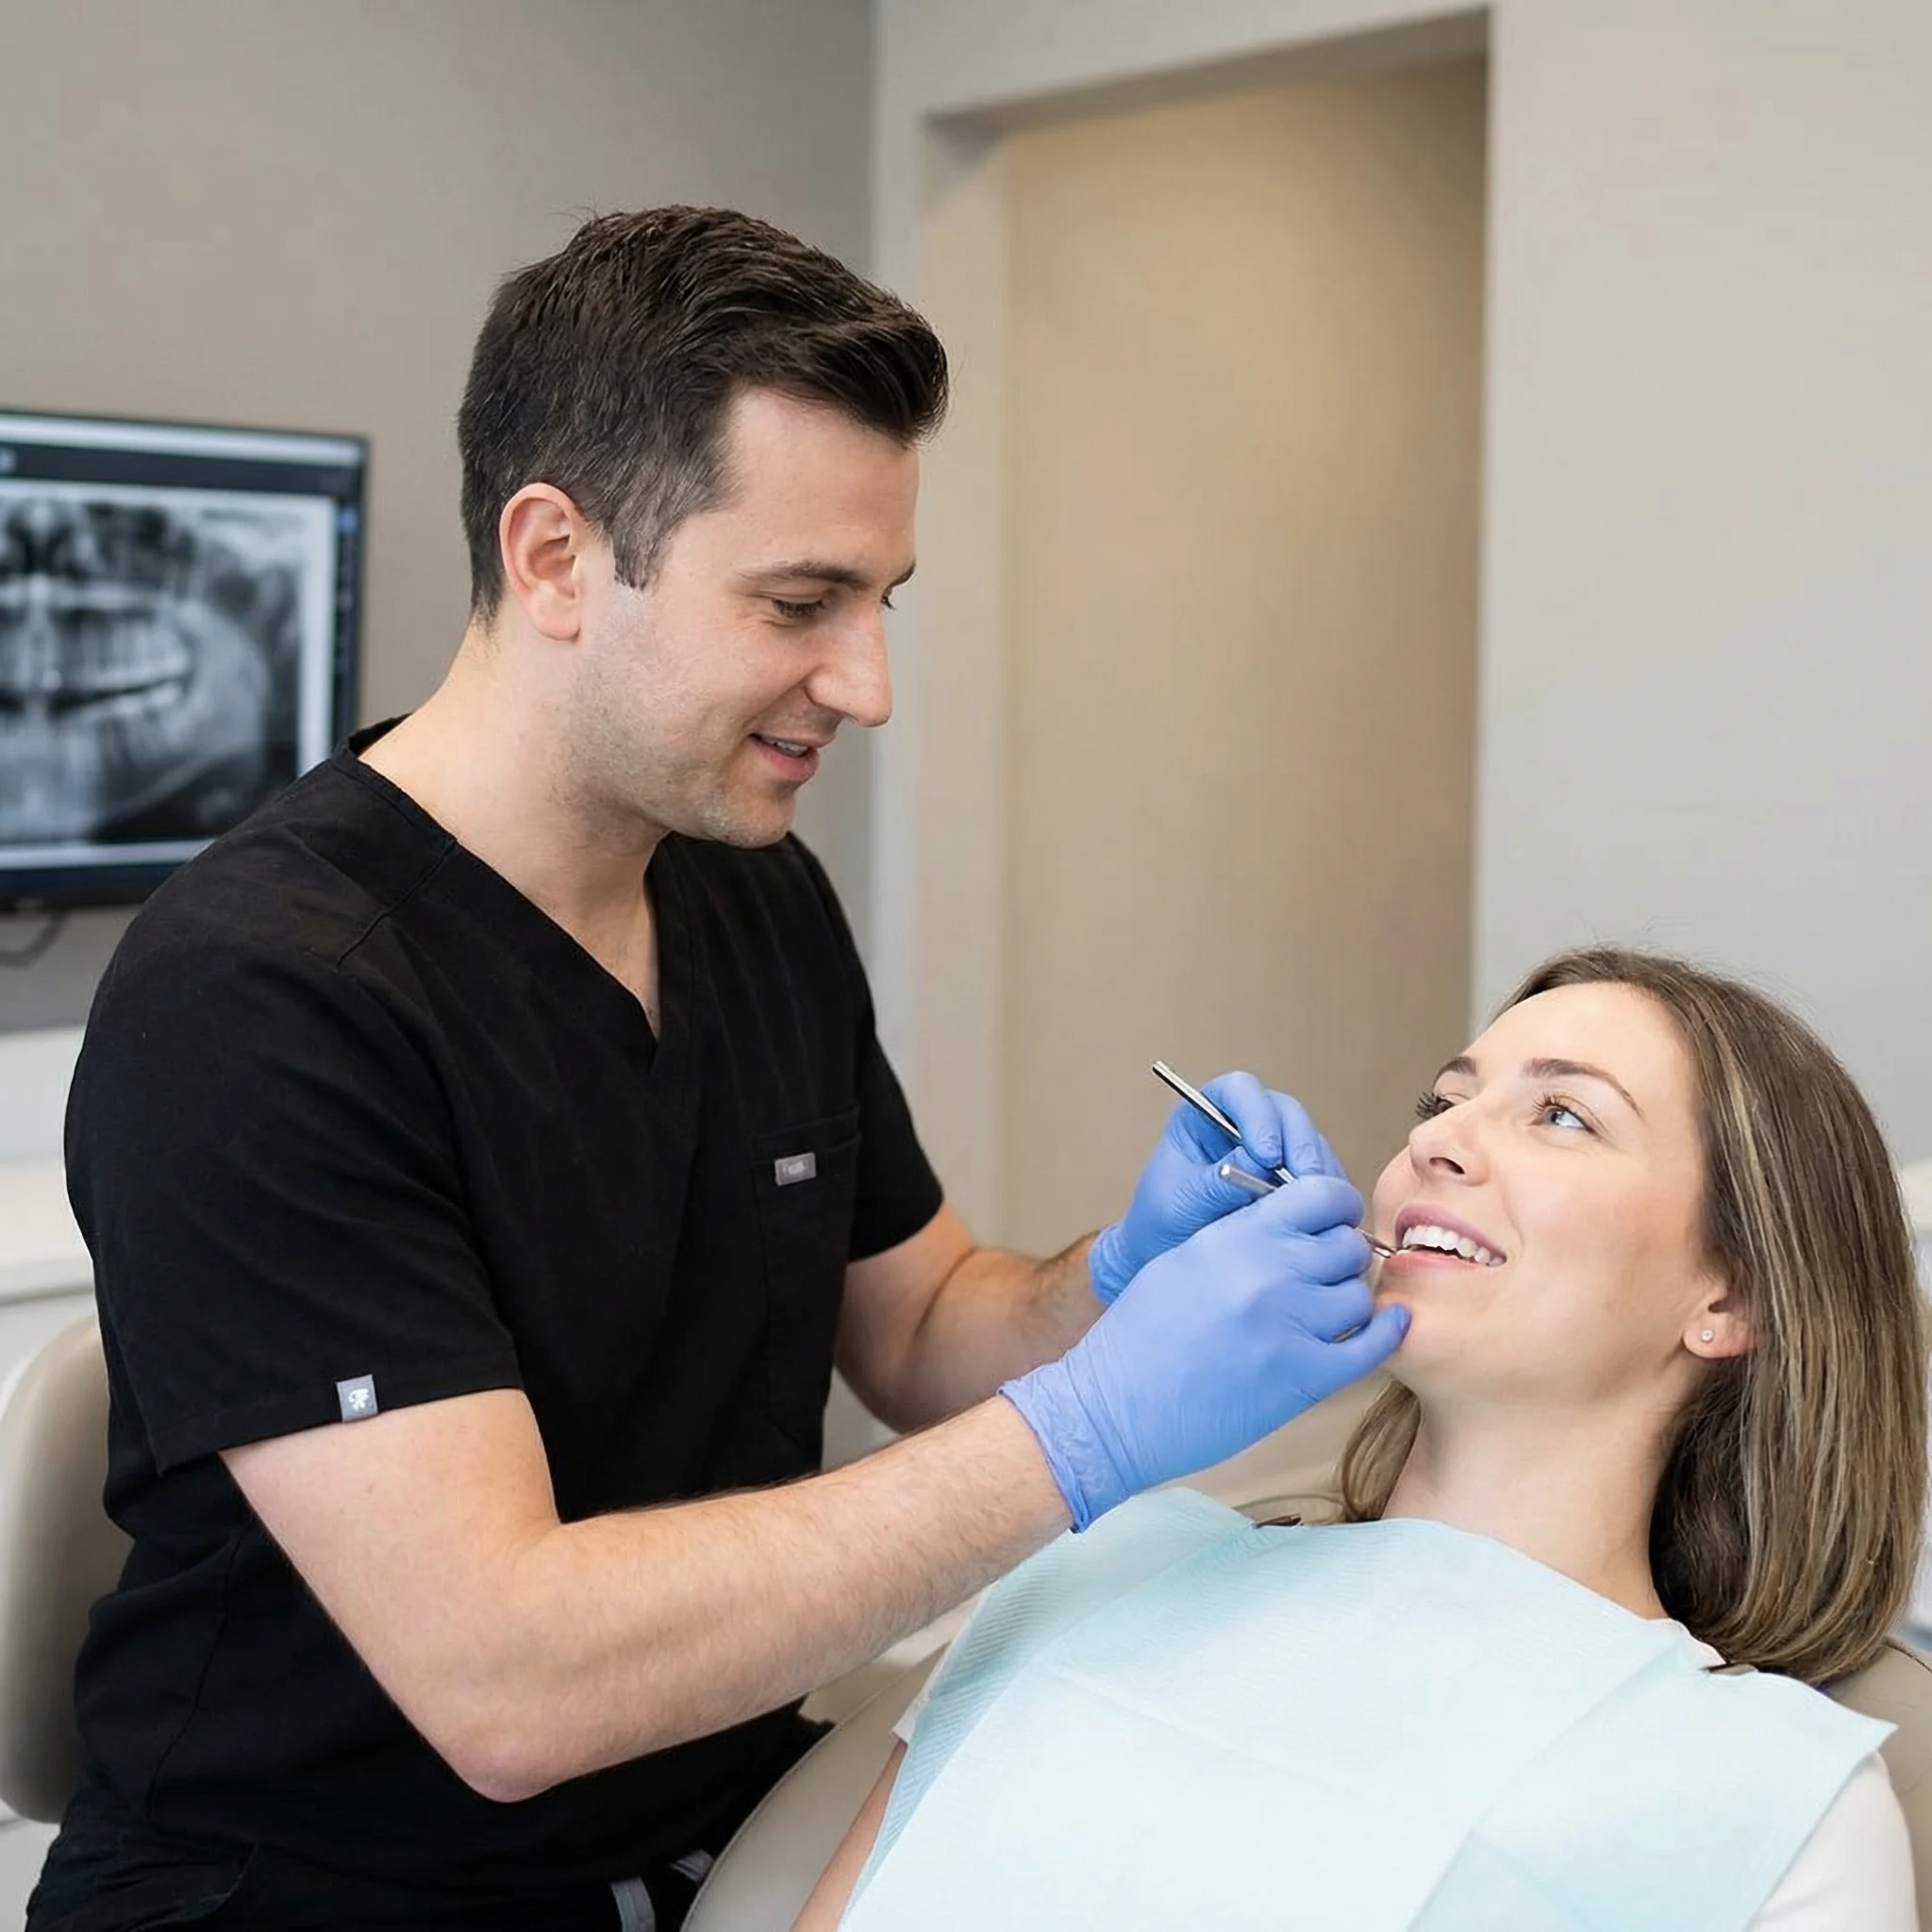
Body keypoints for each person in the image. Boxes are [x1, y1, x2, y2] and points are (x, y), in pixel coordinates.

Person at [27, 208, 1407, 1932]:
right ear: (551, 559)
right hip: (329, 1885)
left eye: (881, 600)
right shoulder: (263, 994)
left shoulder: (750, 890)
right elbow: (509, 1682)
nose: (870, 683)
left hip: (735, 1830)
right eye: (800, 602)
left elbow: (915, 1329)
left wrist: (1112, 1284)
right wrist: (1092, 1426)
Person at [801, 947, 1927, 1930]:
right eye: (1441, 1099)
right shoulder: (1101, 1568)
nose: (1439, 1142)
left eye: (1561, 1115)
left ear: (1728, 1301)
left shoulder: (1772, 1800)